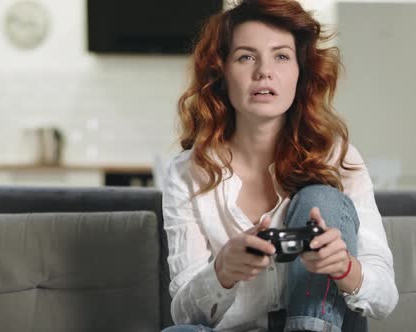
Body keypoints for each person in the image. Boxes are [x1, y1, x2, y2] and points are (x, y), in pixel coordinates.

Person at [161, 0, 398, 331]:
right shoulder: (187, 173)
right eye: (246, 56)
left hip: (322, 325)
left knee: (322, 197)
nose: (264, 71)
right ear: (221, 72)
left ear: (300, 73)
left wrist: (343, 267)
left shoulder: (339, 157)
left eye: (281, 56)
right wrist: (222, 272)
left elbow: (385, 296)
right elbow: (184, 314)